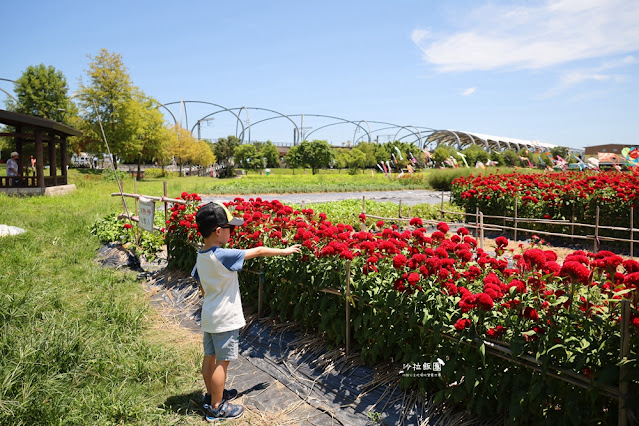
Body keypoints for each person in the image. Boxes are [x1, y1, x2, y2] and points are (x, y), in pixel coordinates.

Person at [192, 201, 301, 422]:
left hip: (210, 315)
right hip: (225, 319)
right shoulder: (222, 255)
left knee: (209, 358)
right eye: (230, 228)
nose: (233, 231)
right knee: (223, 362)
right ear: (218, 231)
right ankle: (216, 407)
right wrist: (285, 250)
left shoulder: (201, 255)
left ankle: (212, 395)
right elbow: (259, 251)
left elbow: (200, 283)